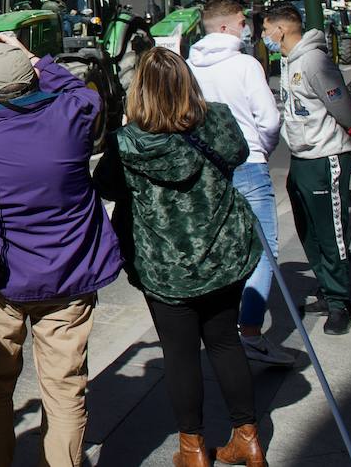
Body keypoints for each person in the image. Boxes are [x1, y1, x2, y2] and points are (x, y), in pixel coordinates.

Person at [0, 34, 120, 467]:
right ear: (32, 77)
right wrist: (35, 56)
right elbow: (80, 91)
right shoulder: (72, 115)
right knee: (66, 389)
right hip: (69, 278)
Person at [95, 48, 263, 467]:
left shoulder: (128, 142)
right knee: (226, 343)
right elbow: (239, 154)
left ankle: (193, 449)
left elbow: (106, 187)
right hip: (223, 253)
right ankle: (249, 439)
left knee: (181, 354)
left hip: (163, 264)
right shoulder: (218, 118)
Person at [186, 0, 294, 367]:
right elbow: (268, 118)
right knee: (263, 248)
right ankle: (250, 331)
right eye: (241, 22)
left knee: (220, 249)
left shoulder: (188, 68)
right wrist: (260, 150)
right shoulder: (246, 65)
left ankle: (220, 328)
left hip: (207, 170)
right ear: (225, 28)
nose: (247, 27)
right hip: (248, 164)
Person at [263, 4, 351, 335]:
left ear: (282, 30)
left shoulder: (313, 60)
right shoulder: (287, 60)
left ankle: (340, 301)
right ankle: (326, 286)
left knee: (331, 232)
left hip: (325, 155)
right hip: (301, 157)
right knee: (308, 230)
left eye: (266, 30)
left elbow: (341, 104)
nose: (264, 37)